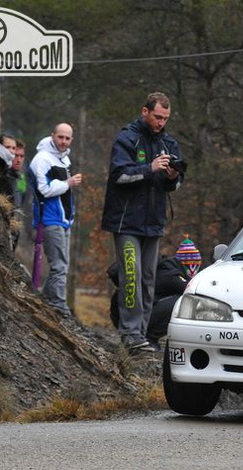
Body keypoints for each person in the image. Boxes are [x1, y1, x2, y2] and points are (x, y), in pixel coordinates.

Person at [102, 92, 186, 352]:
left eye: (166, 118)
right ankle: (129, 333)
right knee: (131, 276)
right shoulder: (127, 138)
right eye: (158, 117)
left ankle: (144, 334)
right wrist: (149, 168)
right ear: (145, 112)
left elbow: (176, 185)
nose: (161, 122)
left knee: (149, 279)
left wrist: (172, 175)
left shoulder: (169, 143)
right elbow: (119, 175)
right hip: (126, 222)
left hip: (153, 222)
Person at [108, 237, 202, 350]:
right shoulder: (169, 273)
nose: (192, 268)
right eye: (190, 263)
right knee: (183, 302)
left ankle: (144, 335)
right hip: (127, 316)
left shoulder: (168, 268)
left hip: (125, 314)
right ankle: (149, 337)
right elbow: (192, 290)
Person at [29, 123, 83, 317]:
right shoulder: (42, 159)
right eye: (60, 137)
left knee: (62, 265)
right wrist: (68, 183)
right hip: (49, 219)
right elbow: (43, 189)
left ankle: (44, 300)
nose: (63, 142)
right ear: (52, 135)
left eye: (67, 138)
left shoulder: (64, 159)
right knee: (59, 265)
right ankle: (59, 307)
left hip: (64, 220)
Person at [9, 139, 28, 251]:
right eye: (16, 156)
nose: (19, 160)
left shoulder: (21, 177)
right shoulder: (3, 175)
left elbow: (22, 198)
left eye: (22, 156)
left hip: (16, 222)